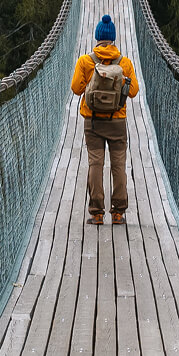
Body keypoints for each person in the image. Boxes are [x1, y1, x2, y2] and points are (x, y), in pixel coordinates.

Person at [70, 14, 140, 225]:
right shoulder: (124, 63)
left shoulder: (86, 61)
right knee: (118, 166)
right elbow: (134, 91)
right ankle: (118, 213)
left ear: (97, 37)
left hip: (93, 122)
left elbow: (75, 89)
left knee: (96, 164)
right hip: (117, 122)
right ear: (113, 39)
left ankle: (97, 213)